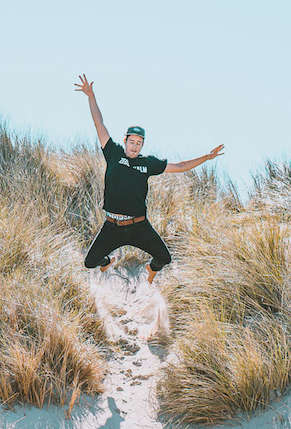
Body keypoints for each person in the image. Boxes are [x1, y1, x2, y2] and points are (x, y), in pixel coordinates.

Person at [75, 73, 224, 283]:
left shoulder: (147, 164)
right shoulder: (114, 153)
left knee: (164, 258)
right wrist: (91, 96)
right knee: (90, 262)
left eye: (139, 143)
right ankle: (106, 262)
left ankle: (150, 269)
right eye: (131, 141)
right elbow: (99, 124)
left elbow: (180, 166)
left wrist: (207, 157)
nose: (134, 146)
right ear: (125, 140)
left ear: (142, 145)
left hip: (138, 226)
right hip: (112, 226)